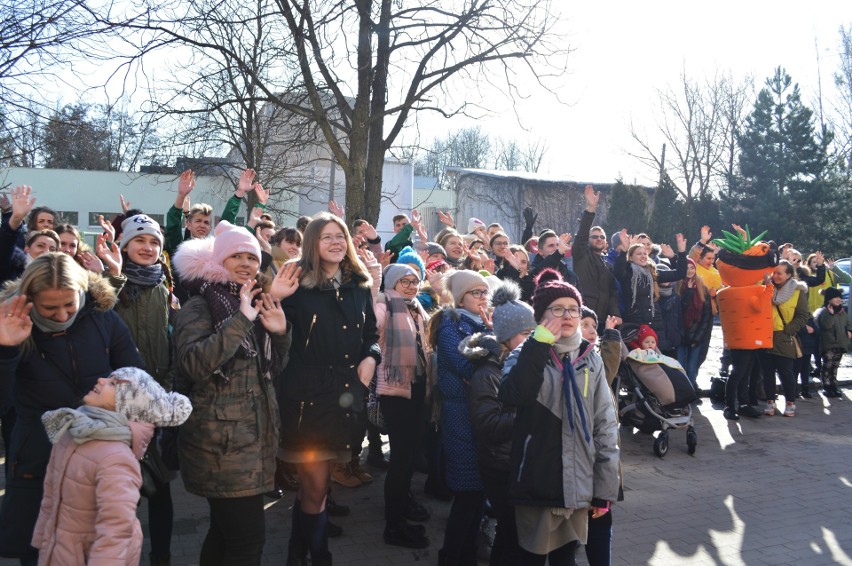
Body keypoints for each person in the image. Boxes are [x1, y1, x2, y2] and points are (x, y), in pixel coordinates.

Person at [0, 253, 144, 564]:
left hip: (98, 453)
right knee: (40, 548)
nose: (63, 315)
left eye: (70, 304)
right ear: (29, 298)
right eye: (49, 308)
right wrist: (6, 350)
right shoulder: (8, 321)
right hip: (39, 454)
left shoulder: (104, 317)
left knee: (95, 542)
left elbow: (136, 378)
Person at [171, 220, 293, 565]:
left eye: (251, 257)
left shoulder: (256, 301)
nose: (245, 264)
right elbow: (193, 364)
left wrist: (280, 333)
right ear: (218, 261)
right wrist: (241, 319)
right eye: (235, 256)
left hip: (251, 442)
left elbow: (273, 369)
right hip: (220, 447)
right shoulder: (201, 305)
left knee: (226, 535)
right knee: (247, 542)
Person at [273, 212, 380, 566]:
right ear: (312, 244)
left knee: (317, 489)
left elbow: (370, 337)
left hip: (346, 397)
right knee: (316, 488)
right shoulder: (297, 285)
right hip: (306, 399)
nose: (336, 242)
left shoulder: (359, 285)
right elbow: (276, 338)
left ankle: (294, 553)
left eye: (341, 236)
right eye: (327, 237)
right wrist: (275, 298)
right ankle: (319, 556)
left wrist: (372, 357)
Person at [498, 269, 619, 565]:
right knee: (530, 558)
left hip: (578, 484)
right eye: (557, 309)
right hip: (538, 482)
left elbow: (605, 422)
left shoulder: (590, 357)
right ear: (541, 315)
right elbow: (514, 395)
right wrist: (539, 344)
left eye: (573, 309)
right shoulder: (525, 353)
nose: (566, 315)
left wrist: (604, 490)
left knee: (566, 559)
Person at [31, 367, 192, 565]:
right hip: (60, 552)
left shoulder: (115, 457)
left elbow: (116, 529)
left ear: (128, 405)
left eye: (113, 384)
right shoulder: (70, 433)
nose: (100, 380)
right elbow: (50, 497)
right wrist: (43, 543)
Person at [113, 214, 178, 565]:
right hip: (118, 407)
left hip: (156, 404)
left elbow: (171, 345)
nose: (148, 247)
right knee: (122, 494)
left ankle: (162, 556)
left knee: (161, 490)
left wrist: (164, 393)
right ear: (125, 245)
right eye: (140, 240)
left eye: (154, 241)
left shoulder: (164, 288)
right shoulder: (111, 286)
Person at [463, 280, 534, 566]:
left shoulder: (522, 364)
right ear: (506, 336)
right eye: (526, 334)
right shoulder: (489, 372)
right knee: (515, 534)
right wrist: (529, 413)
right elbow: (487, 425)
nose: (532, 340)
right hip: (500, 466)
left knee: (510, 535)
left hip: (518, 462)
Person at [429, 269, 491, 565]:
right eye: (475, 293)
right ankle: (451, 556)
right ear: (460, 297)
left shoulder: (485, 324)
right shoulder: (450, 325)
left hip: (481, 415)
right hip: (461, 415)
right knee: (467, 493)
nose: (482, 298)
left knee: (479, 493)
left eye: (484, 292)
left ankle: (466, 553)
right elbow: (468, 369)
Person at [374, 264, 431, 549]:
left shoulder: (416, 307)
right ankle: (393, 526)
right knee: (400, 460)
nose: (410, 286)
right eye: (404, 281)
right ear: (393, 283)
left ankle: (403, 508)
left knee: (408, 459)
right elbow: (372, 331)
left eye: (415, 281)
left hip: (417, 388)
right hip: (395, 391)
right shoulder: (385, 305)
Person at [761, 260, 809, 417]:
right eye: (774, 273)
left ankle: (790, 402)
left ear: (789, 275)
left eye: (779, 273)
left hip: (784, 336)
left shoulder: (797, 292)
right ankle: (770, 401)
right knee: (767, 372)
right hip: (767, 335)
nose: (775, 276)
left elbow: (803, 316)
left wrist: (789, 329)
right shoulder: (766, 288)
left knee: (786, 372)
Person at [613, 230, 687, 332]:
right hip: (636, 324)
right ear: (630, 257)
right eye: (639, 254)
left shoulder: (653, 273)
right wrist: (624, 250)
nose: (643, 256)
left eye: (644, 254)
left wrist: (681, 253)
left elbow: (680, 274)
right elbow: (618, 271)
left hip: (655, 323)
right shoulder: (627, 274)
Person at [571, 186, 621, 330]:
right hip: (584, 318)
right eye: (594, 237)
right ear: (588, 240)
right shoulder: (581, 255)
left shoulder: (608, 266)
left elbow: (612, 294)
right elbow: (581, 235)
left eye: (602, 237)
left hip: (603, 321)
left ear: (606, 242)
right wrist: (591, 208)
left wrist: (615, 314)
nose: (598, 239)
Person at [676, 258, 713, 392]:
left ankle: (689, 394)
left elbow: (707, 316)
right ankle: (681, 394)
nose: (690, 271)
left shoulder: (702, 288)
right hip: (681, 334)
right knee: (680, 366)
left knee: (692, 368)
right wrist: (689, 292)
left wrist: (698, 337)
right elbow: (679, 311)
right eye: (686, 268)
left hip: (696, 334)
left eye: (692, 268)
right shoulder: (677, 286)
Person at [815, 287, 851, 398]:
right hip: (829, 343)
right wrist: (830, 314)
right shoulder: (824, 311)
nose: (838, 299)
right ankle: (826, 386)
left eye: (839, 297)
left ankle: (833, 385)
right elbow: (826, 326)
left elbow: (847, 322)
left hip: (840, 343)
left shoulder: (842, 311)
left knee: (835, 366)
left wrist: (849, 330)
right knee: (827, 365)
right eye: (835, 297)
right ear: (829, 299)